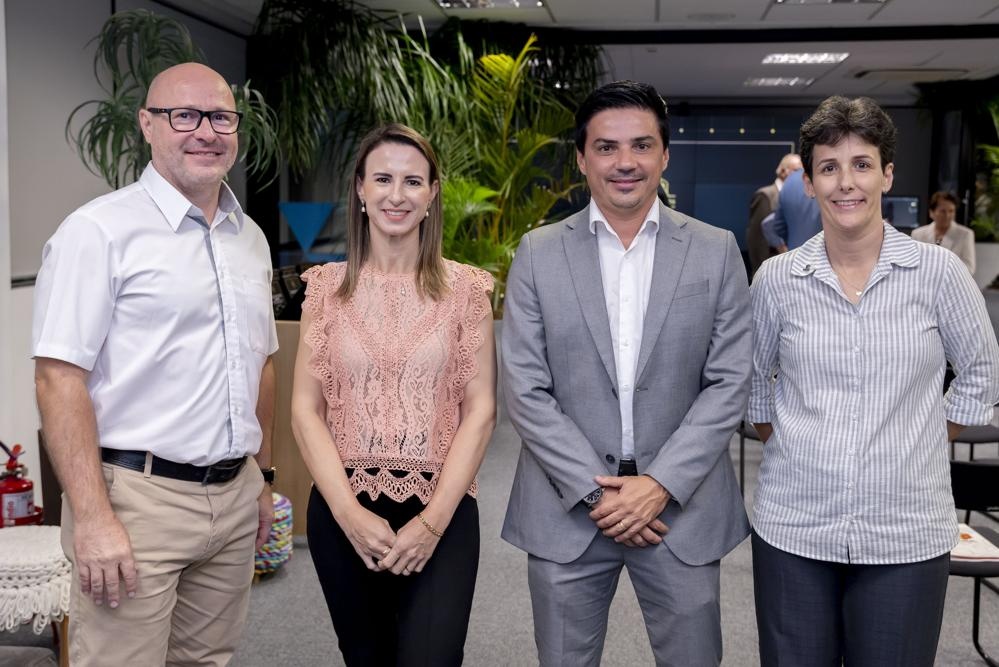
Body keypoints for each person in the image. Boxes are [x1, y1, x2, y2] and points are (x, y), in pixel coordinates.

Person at [32, 63, 278, 666]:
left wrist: (262, 482)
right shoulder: (98, 231)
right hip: (136, 502)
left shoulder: (248, 238)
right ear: (147, 124)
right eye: (184, 116)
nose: (206, 132)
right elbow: (58, 379)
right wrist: (92, 517)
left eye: (220, 117)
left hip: (233, 494)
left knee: (205, 661)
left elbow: (262, 365)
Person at [501, 80, 752, 666]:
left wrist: (659, 485)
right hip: (567, 507)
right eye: (606, 147)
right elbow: (526, 389)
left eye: (641, 145)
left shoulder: (715, 250)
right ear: (582, 159)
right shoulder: (537, 253)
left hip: (681, 509)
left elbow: (728, 382)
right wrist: (600, 495)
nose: (625, 162)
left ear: (665, 156)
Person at [750, 96, 999, 666]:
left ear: (887, 174)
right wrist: (794, 447)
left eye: (861, 164)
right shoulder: (778, 280)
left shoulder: (938, 273)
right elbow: (754, 385)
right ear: (808, 183)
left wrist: (924, 439)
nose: (846, 182)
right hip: (795, 528)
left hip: (905, 532)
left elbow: (983, 372)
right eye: (828, 167)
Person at [291, 123, 496, 666]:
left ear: (432, 194)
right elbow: (306, 411)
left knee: (434, 656)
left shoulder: (467, 290)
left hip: (443, 507)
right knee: (367, 658)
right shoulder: (325, 290)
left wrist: (431, 523)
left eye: (412, 181)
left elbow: (481, 411)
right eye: (382, 179)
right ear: (360, 190)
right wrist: (349, 515)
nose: (396, 195)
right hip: (342, 508)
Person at [748, 153, 802, 273]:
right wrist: (760, 273)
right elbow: (757, 239)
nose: (800, 175)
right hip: (771, 269)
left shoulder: (798, 197)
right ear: (783, 171)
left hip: (792, 267)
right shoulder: (765, 195)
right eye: (797, 170)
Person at [911, 190, 976, 274]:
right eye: (943, 211)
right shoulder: (917, 234)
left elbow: (969, 267)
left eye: (951, 211)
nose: (947, 215)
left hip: (952, 281)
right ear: (931, 212)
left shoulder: (965, 235)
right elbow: (913, 262)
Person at [761, 166, 822, 252]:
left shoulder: (789, 181)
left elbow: (778, 225)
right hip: (822, 252)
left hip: (794, 252)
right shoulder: (822, 176)